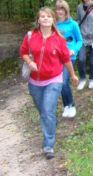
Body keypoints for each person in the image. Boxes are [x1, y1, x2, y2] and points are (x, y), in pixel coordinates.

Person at [21, 8, 79, 159]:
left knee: (47, 111)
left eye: (48, 16)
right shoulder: (30, 36)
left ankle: (48, 145)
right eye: (42, 16)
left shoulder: (59, 39)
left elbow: (66, 59)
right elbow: (23, 52)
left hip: (54, 79)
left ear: (53, 20)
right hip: (34, 82)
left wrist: (72, 75)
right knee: (44, 112)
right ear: (38, 20)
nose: (45, 19)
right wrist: (29, 61)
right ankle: (51, 123)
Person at [55, 0, 82, 118]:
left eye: (62, 9)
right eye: (58, 9)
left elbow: (80, 40)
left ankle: (72, 105)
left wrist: (74, 50)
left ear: (66, 11)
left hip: (69, 57)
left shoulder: (73, 24)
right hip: (56, 57)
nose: (60, 11)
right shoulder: (53, 25)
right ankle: (66, 106)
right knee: (59, 82)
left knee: (64, 81)